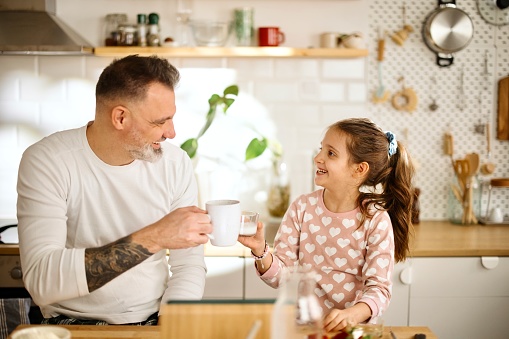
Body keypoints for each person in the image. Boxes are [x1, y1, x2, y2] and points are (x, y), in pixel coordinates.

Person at [16, 55, 213, 325]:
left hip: (155, 322)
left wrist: (171, 325)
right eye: (160, 122)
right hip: (70, 324)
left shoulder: (175, 164)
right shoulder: (48, 161)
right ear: (120, 117)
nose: (171, 132)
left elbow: (188, 264)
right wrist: (154, 237)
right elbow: (42, 281)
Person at [238, 118, 416, 333]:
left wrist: (351, 314)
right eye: (321, 149)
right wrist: (260, 250)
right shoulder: (302, 207)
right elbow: (283, 277)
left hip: (354, 332)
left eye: (330, 153)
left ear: (359, 169)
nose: (318, 158)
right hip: (305, 331)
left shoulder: (375, 219)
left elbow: (378, 290)